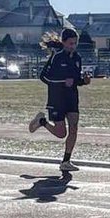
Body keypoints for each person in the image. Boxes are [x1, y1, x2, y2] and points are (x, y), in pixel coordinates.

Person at [28, 28, 90, 173]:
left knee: (74, 128)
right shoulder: (56, 57)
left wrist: (84, 81)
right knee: (61, 133)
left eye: (75, 43)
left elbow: (75, 80)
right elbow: (44, 77)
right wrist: (63, 82)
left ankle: (66, 161)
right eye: (70, 43)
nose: (72, 46)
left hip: (72, 99)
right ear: (63, 43)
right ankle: (42, 121)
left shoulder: (77, 58)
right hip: (57, 99)